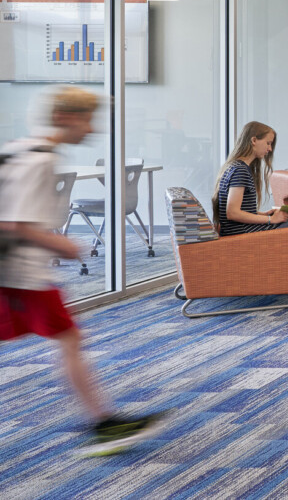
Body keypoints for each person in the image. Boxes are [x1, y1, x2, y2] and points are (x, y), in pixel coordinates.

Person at [0, 86, 171, 455]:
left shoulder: (18, 148)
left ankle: (103, 421)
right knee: (70, 340)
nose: (92, 129)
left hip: (17, 273)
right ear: (64, 117)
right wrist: (62, 244)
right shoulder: (40, 159)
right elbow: (15, 224)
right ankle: (103, 424)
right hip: (20, 275)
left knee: (70, 339)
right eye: (87, 118)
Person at [214, 122, 288, 235]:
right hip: (243, 232)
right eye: (268, 143)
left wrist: (263, 215)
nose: (270, 149)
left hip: (242, 229)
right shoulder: (240, 171)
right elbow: (232, 213)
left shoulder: (235, 166)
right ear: (253, 141)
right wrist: (270, 220)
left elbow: (239, 210)